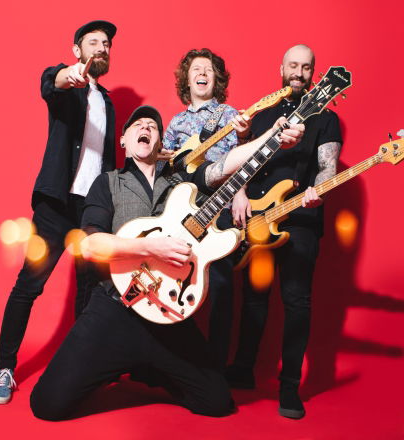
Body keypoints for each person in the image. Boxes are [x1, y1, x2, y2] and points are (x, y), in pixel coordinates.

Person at [29, 105, 304, 420]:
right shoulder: (107, 183)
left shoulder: (181, 181)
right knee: (47, 404)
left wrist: (273, 135)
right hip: (116, 309)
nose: (145, 127)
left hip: (169, 316)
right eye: (138, 124)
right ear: (123, 140)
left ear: (160, 141)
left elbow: (226, 165)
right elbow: (90, 245)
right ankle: (119, 363)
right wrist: (149, 248)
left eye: (153, 125)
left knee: (217, 403)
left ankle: (150, 367)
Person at [0, 20, 117, 404]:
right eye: (93, 42)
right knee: (29, 285)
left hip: (92, 210)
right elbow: (51, 83)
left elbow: (108, 161)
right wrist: (68, 75)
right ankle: (4, 368)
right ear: (77, 50)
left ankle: (78, 371)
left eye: (106, 44)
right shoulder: (67, 84)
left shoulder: (107, 102)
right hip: (57, 204)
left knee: (90, 292)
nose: (102, 47)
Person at [225, 44, 343, 419]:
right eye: (293, 65)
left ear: (314, 73)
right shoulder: (263, 115)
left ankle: (289, 386)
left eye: (306, 67)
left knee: (296, 302)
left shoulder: (326, 118)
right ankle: (242, 370)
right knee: (253, 298)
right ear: (281, 68)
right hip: (258, 217)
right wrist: (239, 194)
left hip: (300, 218)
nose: (299, 72)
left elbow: (328, 166)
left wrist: (319, 190)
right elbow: (242, 159)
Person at [162, 48, 251, 368]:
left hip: (221, 205)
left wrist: (241, 193)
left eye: (209, 70)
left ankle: (216, 367)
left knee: (221, 286)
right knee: (175, 280)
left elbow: (244, 155)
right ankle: (175, 363)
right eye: (196, 69)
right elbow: (167, 168)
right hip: (183, 211)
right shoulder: (176, 122)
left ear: (217, 80)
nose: (202, 73)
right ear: (186, 80)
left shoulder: (229, 114)